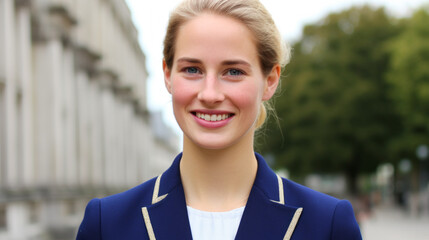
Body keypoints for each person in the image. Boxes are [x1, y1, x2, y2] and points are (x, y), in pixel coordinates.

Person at [76, 0, 362, 239]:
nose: (210, 94)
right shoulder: (106, 224)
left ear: (270, 80)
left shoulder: (328, 225)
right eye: (192, 69)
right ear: (167, 75)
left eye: (233, 72)